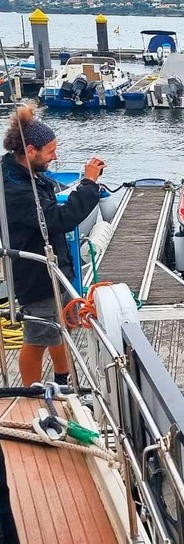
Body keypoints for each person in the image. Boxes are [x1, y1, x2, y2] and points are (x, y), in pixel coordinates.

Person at [2, 101, 104, 387]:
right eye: (50, 152)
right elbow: (57, 220)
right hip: (35, 274)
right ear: (30, 151)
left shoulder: (27, 174)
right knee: (38, 337)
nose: (55, 157)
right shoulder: (14, 189)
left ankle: (63, 379)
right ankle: (30, 396)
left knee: (58, 326)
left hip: (53, 266)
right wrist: (88, 184)